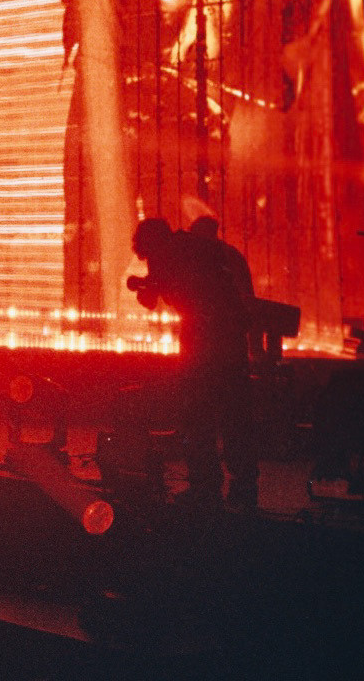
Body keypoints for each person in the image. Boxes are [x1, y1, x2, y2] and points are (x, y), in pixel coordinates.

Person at [128, 216, 259, 509]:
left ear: (149, 243)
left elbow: (151, 300)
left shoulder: (163, 253)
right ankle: (245, 484)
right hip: (231, 336)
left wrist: (142, 286)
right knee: (235, 413)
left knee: (198, 414)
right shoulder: (196, 246)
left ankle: (205, 486)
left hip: (202, 336)